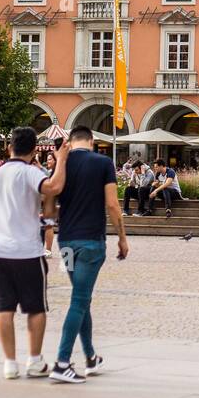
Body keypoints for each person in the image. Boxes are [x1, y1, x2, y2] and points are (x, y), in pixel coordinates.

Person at [49, 125, 128, 383]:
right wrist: (122, 238)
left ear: (71, 142)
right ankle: (62, 362)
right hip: (91, 242)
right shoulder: (103, 163)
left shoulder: (62, 163)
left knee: (81, 299)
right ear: (92, 141)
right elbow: (113, 205)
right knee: (80, 300)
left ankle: (91, 357)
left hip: (67, 242)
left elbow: (49, 202)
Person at [0, 127, 69, 380]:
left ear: (9, 146)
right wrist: (62, 159)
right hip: (26, 251)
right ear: (35, 149)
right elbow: (54, 187)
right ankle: (34, 361)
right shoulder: (30, 172)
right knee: (35, 307)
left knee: (3, 307)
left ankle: (9, 363)